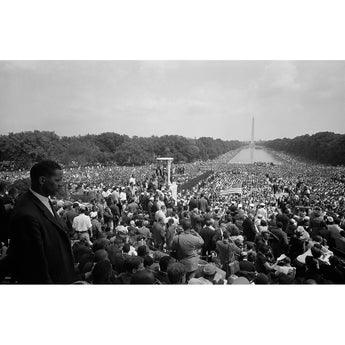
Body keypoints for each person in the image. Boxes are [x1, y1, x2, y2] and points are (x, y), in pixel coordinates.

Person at [7, 160, 76, 284]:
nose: (61, 184)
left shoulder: (43, 199)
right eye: (57, 180)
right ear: (42, 180)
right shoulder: (26, 214)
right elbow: (36, 264)